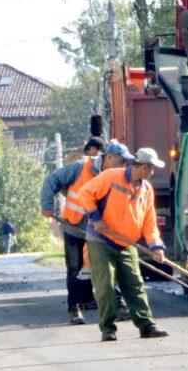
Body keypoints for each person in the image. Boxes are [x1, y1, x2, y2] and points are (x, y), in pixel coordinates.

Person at [79, 147, 170, 342]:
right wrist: (95, 218)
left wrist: (156, 246)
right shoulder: (111, 177)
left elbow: (149, 223)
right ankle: (108, 329)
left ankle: (147, 326)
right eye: (152, 168)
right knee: (106, 285)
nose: (153, 172)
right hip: (101, 240)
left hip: (127, 244)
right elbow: (85, 193)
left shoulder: (146, 190)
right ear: (144, 168)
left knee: (135, 284)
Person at [39, 137, 128, 325]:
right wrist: (47, 205)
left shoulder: (117, 176)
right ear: (110, 158)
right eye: (122, 161)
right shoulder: (80, 167)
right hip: (74, 227)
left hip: (99, 231)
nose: (124, 166)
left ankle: (117, 305)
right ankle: (75, 309)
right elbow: (52, 180)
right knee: (75, 270)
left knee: (106, 267)